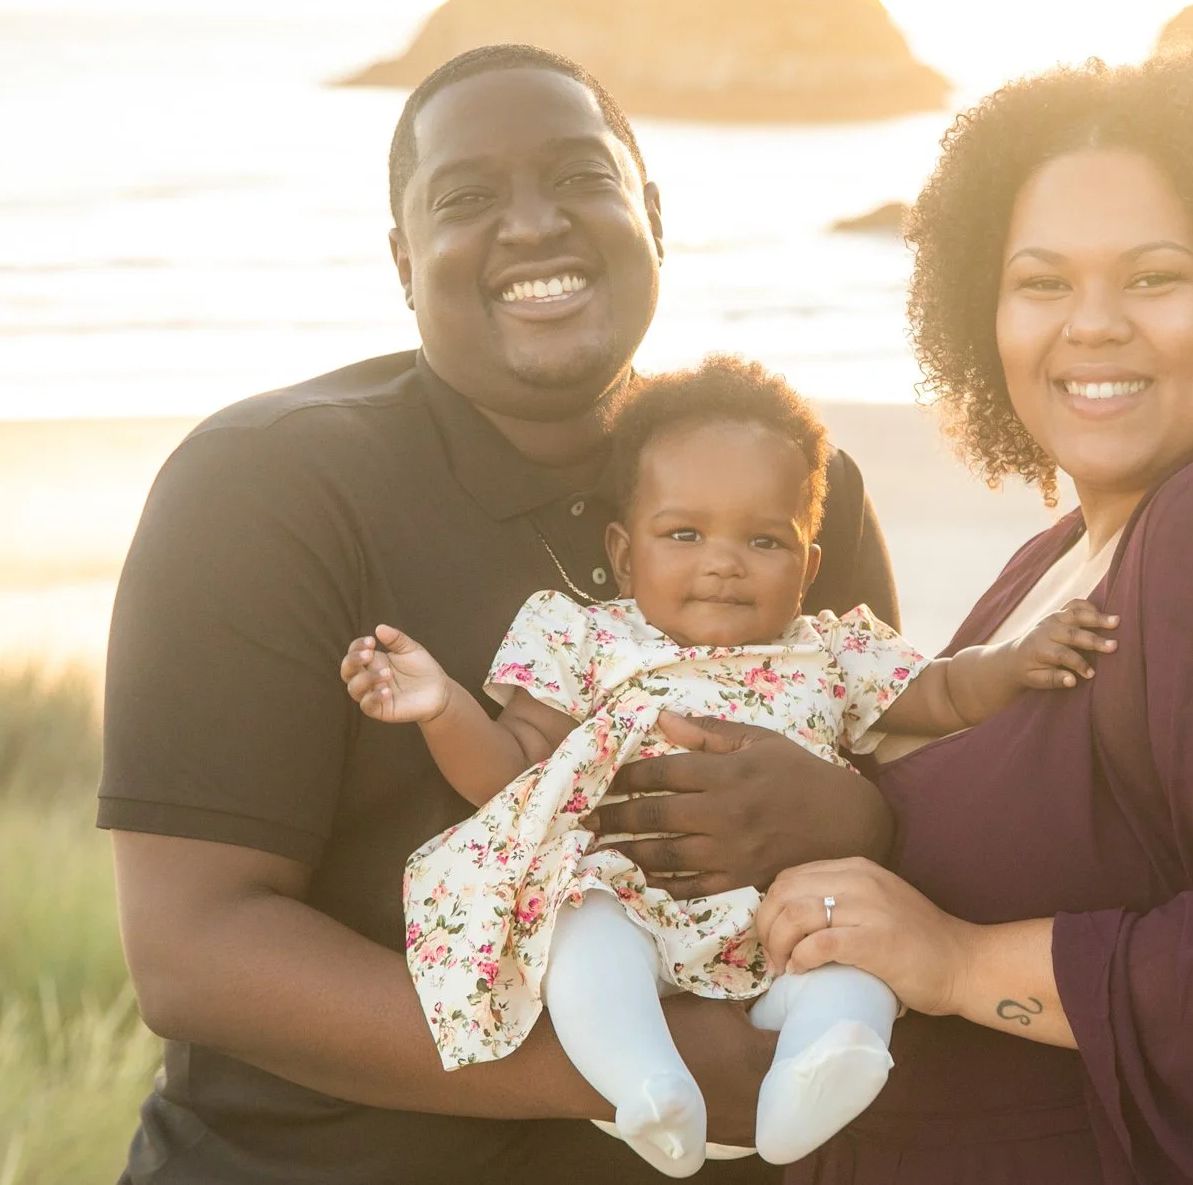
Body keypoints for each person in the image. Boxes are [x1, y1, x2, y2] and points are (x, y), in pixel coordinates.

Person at [603, 45, 1193, 1181]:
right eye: (1040, 283)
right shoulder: (1063, 553)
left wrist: (963, 962)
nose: (1090, 325)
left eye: (1154, 278)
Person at [98, 46, 905, 1183]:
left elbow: (894, 793)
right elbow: (197, 952)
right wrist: (641, 1063)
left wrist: (855, 819)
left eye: (580, 178)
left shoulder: (786, 490)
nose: (533, 227)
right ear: (403, 259)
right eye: (466, 199)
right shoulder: (262, 487)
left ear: (652, 219)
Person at [339, 356, 1118, 1174]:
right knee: (578, 928)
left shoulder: (831, 648)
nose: (723, 561)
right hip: (631, 896)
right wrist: (443, 707)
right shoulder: (584, 636)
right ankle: (644, 1080)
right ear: (624, 549)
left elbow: (947, 691)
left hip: (782, 913)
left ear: (808, 564)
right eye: (684, 534)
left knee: (854, 955)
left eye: (763, 539)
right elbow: (512, 773)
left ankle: (818, 1074)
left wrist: (1019, 657)